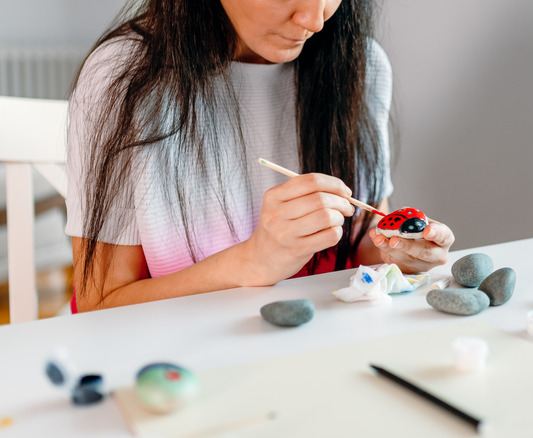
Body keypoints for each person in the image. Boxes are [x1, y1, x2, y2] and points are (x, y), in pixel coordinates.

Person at [66, 0, 455, 312]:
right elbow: (100, 305)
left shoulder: (360, 65)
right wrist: (252, 263)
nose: (314, 18)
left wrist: (398, 251)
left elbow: (359, 245)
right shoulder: (125, 76)